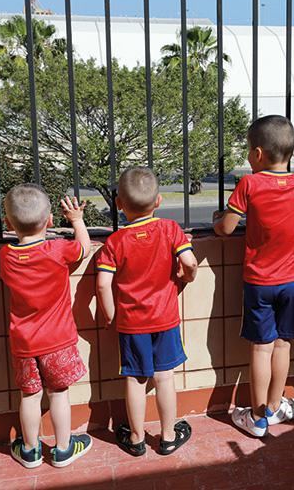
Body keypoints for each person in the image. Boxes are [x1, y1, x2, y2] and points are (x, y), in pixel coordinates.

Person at [213, 115, 294, 438]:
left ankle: (256, 418)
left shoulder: (250, 184)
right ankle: (274, 407)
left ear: (257, 154)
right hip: (293, 280)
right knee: (283, 345)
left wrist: (218, 220)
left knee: (261, 348)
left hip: (259, 282)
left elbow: (227, 229)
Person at [96, 167, 198, 456]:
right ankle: (167, 436)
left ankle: (137, 437)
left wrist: (110, 316)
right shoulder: (170, 230)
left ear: (118, 204)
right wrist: (187, 277)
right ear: (159, 201)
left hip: (131, 323)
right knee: (164, 376)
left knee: (135, 379)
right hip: (165, 319)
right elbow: (189, 262)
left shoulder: (114, 243)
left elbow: (103, 285)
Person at [0, 184, 93, 468]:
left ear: (8, 223)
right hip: (58, 340)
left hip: (24, 342)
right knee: (59, 394)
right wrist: (77, 221)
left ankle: (30, 450)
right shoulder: (58, 250)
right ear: (50, 220)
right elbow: (84, 249)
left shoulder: (6, 256)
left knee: (30, 394)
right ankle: (63, 449)